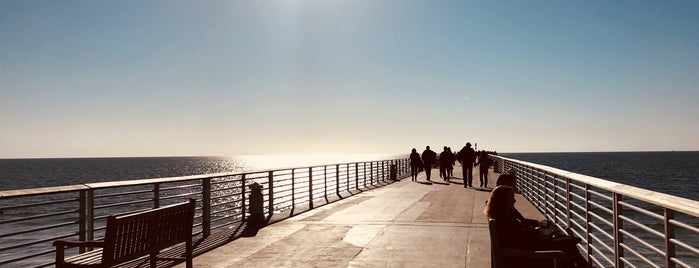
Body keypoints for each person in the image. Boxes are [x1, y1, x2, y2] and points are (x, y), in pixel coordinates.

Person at [484, 186, 588, 268]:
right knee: (566, 246)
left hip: (522, 253)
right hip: (524, 259)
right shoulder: (504, 220)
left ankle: (583, 264)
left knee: (566, 243)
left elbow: (520, 237)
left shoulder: (501, 216)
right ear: (504, 201)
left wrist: (541, 234)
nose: (514, 201)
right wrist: (543, 238)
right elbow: (522, 241)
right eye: (512, 198)